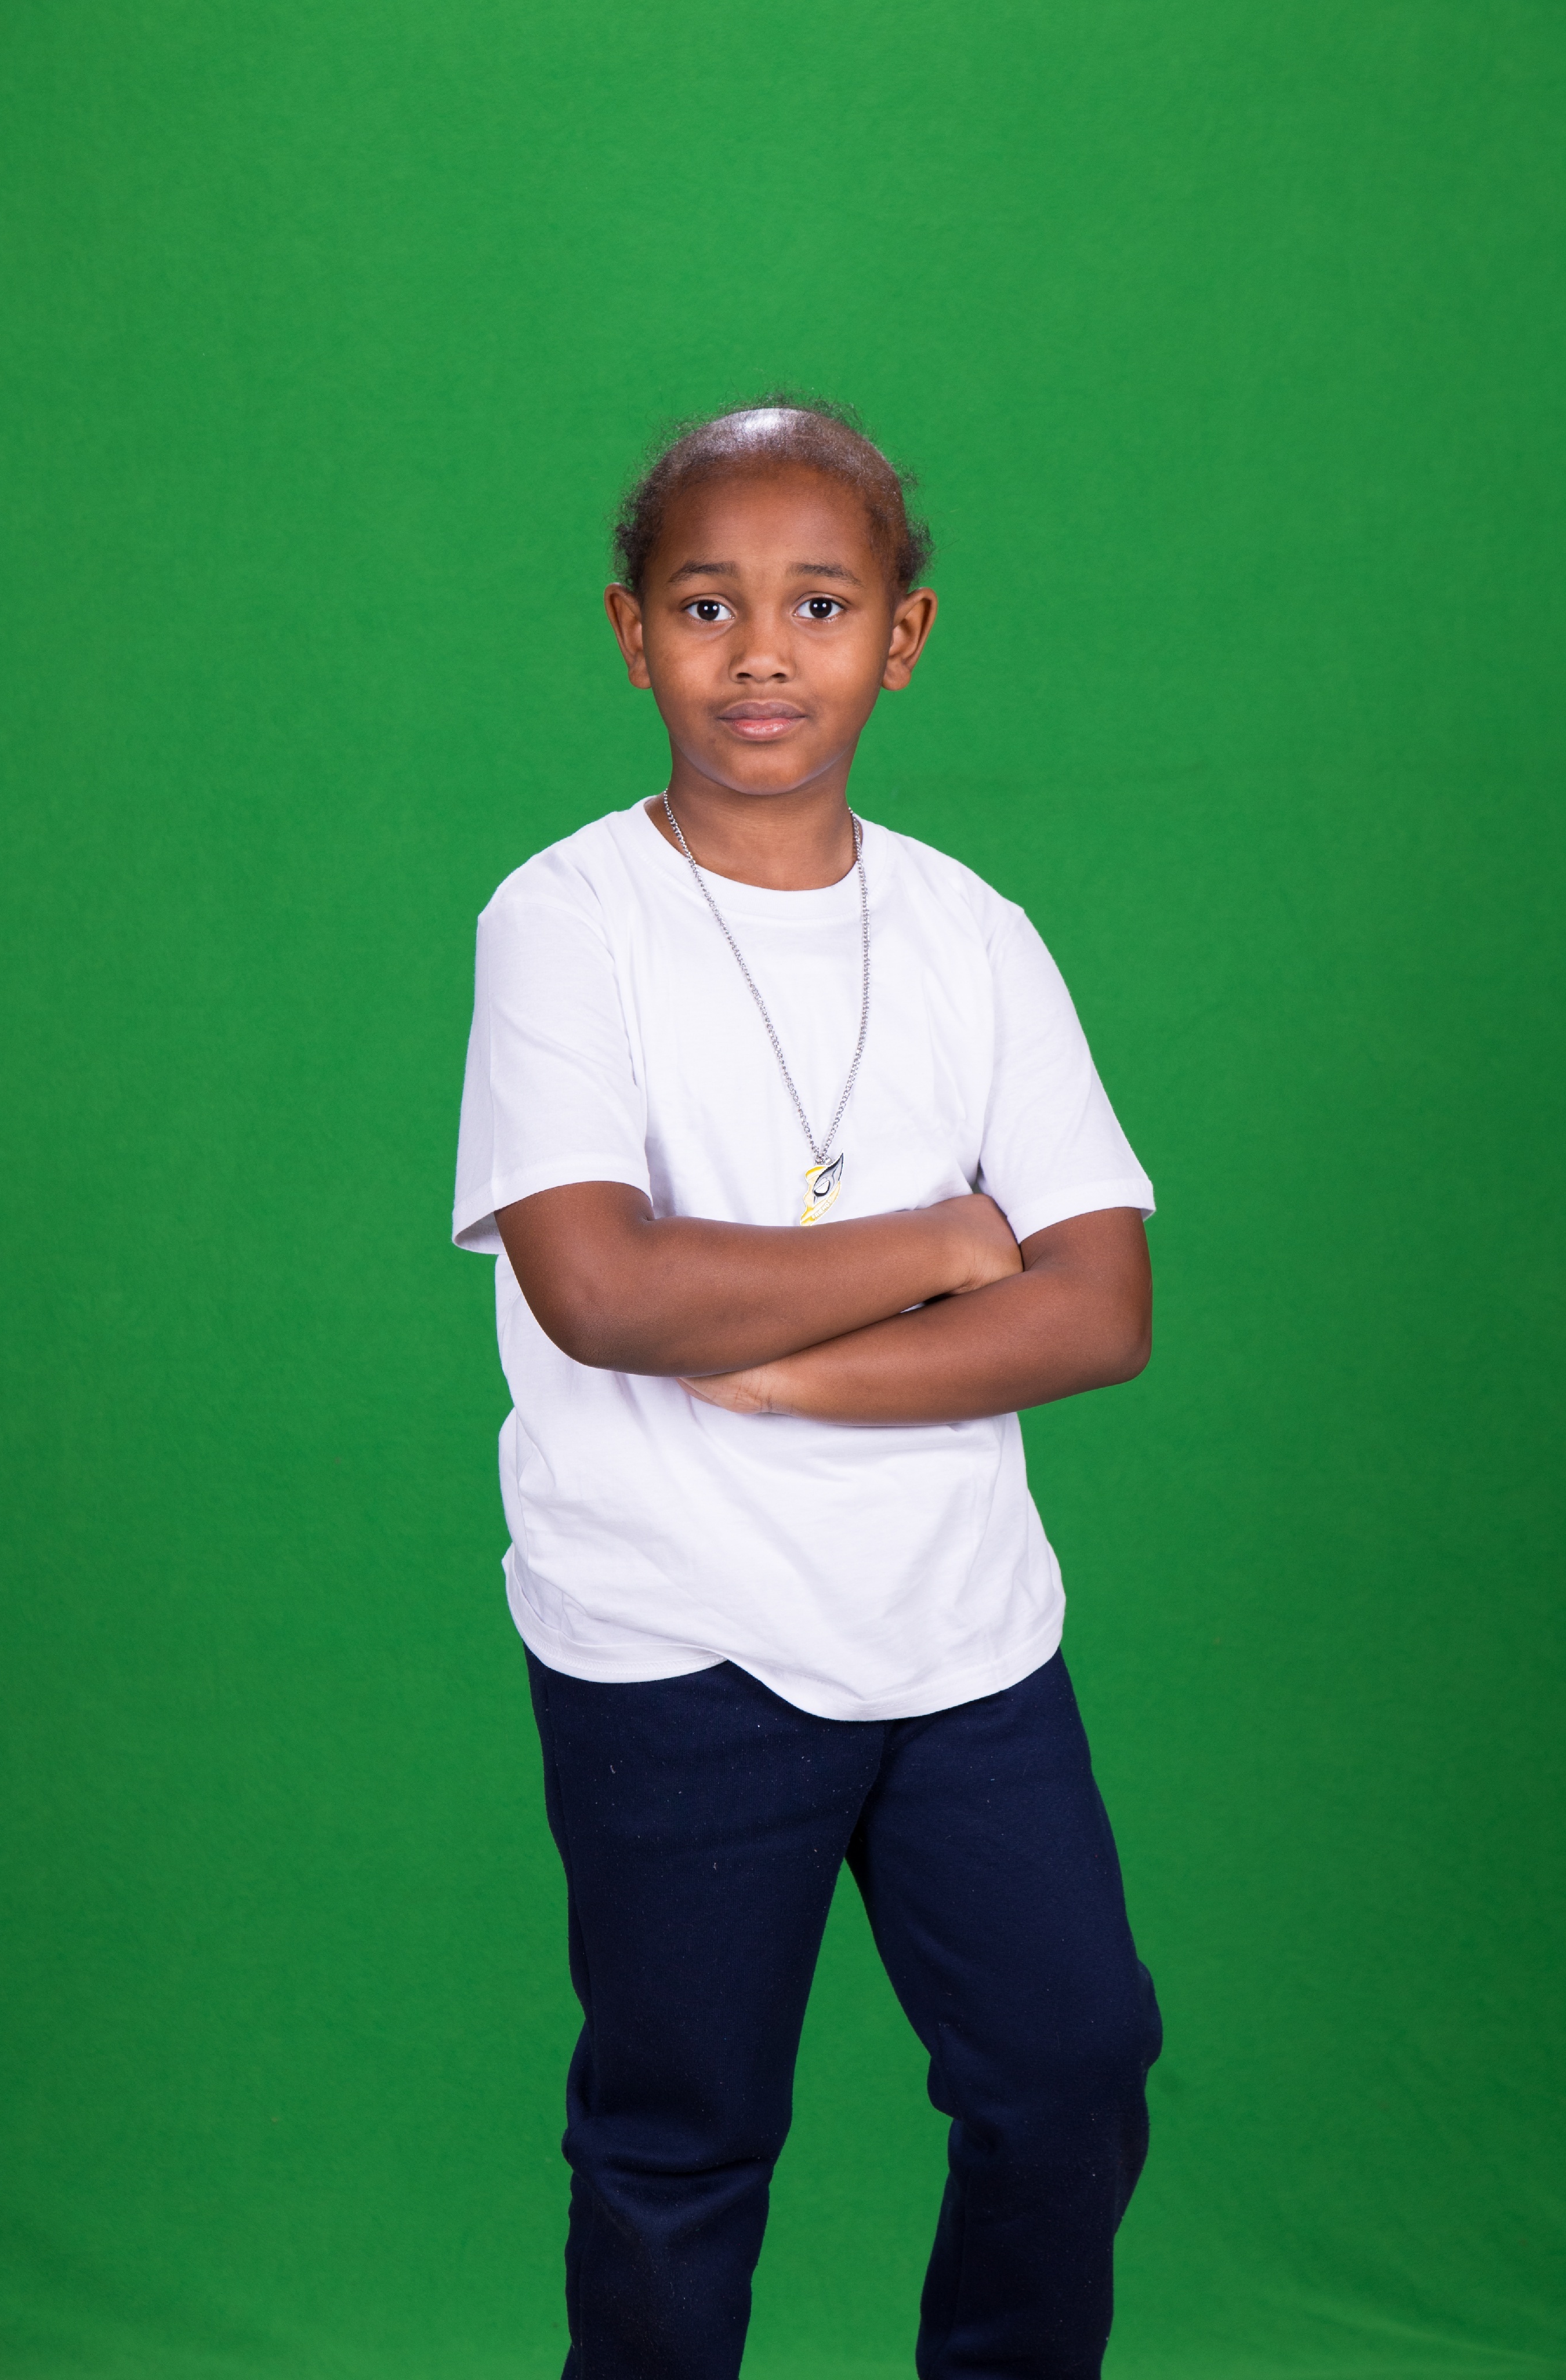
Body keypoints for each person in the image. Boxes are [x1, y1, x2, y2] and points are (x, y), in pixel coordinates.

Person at [452, 398, 1162, 2380]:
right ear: (632, 634)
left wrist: (783, 1371)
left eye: (821, 605)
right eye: (708, 605)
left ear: (901, 637)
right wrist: (947, 1242)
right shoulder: (565, 919)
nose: (763, 651)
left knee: (1073, 2065)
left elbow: (1101, 1307)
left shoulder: (973, 934)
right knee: (680, 2141)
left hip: (961, 1631)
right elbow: (603, 1288)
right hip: (672, 1642)